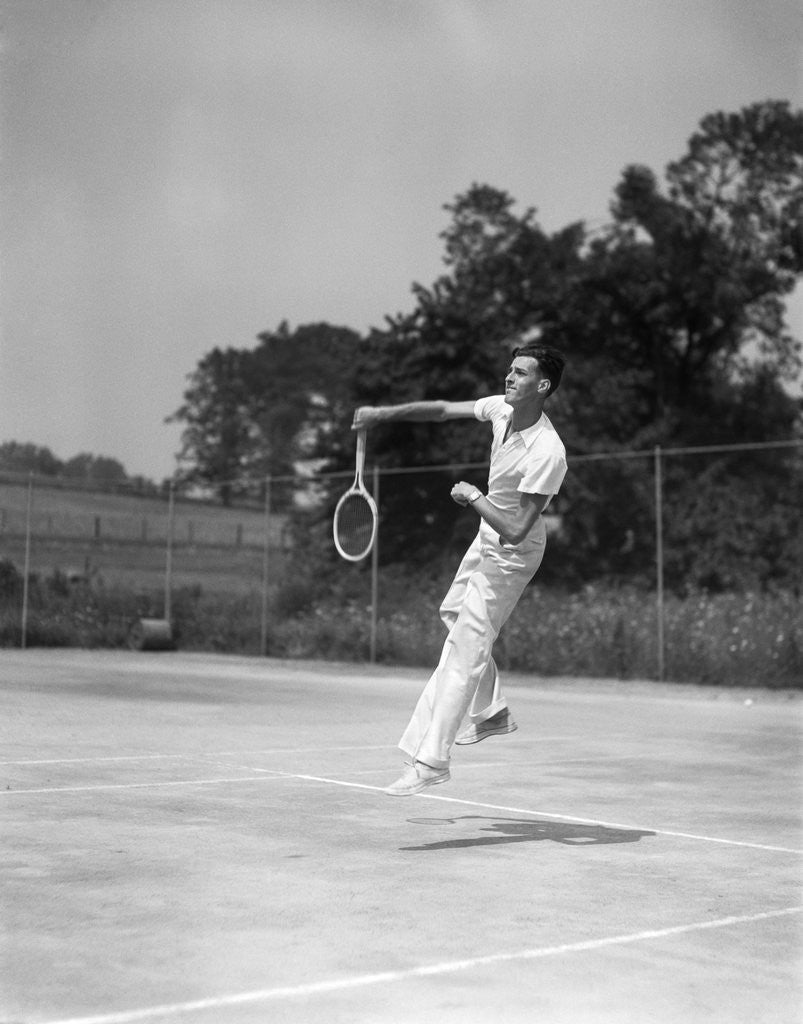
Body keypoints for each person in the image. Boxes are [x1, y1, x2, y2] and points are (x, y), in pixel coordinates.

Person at [352, 333, 567, 796]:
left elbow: (516, 529)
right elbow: (442, 408)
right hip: (488, 535)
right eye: (510, 370)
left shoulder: (549, 451)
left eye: (521, 372)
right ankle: (492, 711)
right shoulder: (500, 411)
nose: (509, 376)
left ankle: (431, 762)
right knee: (453, 616)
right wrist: (382, 415)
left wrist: (473, 496)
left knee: (467, 648)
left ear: (544, 386)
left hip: (514, 552)